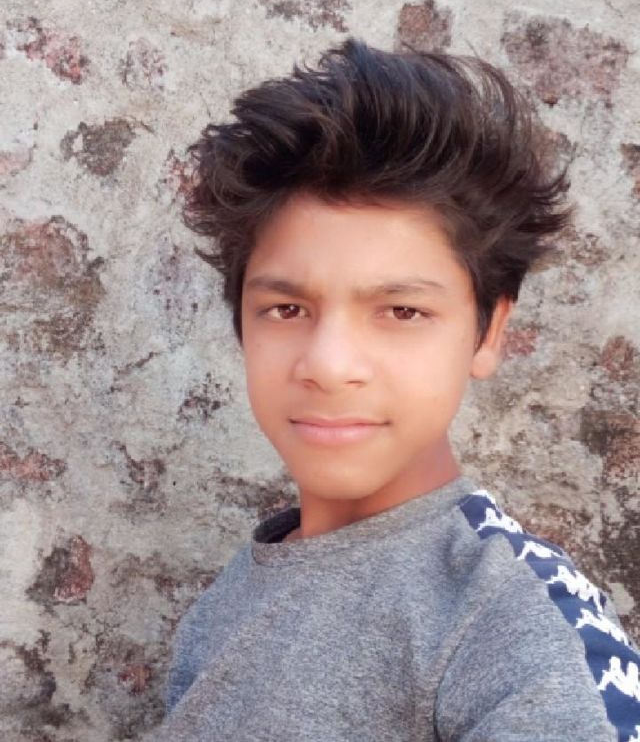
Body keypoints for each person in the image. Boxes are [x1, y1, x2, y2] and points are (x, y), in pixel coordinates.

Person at [154, 39, 640, 741]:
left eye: (402, 311)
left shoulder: (514, 623)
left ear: (488, 332)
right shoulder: (231, 598)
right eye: (286, 309)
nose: (329, 365)